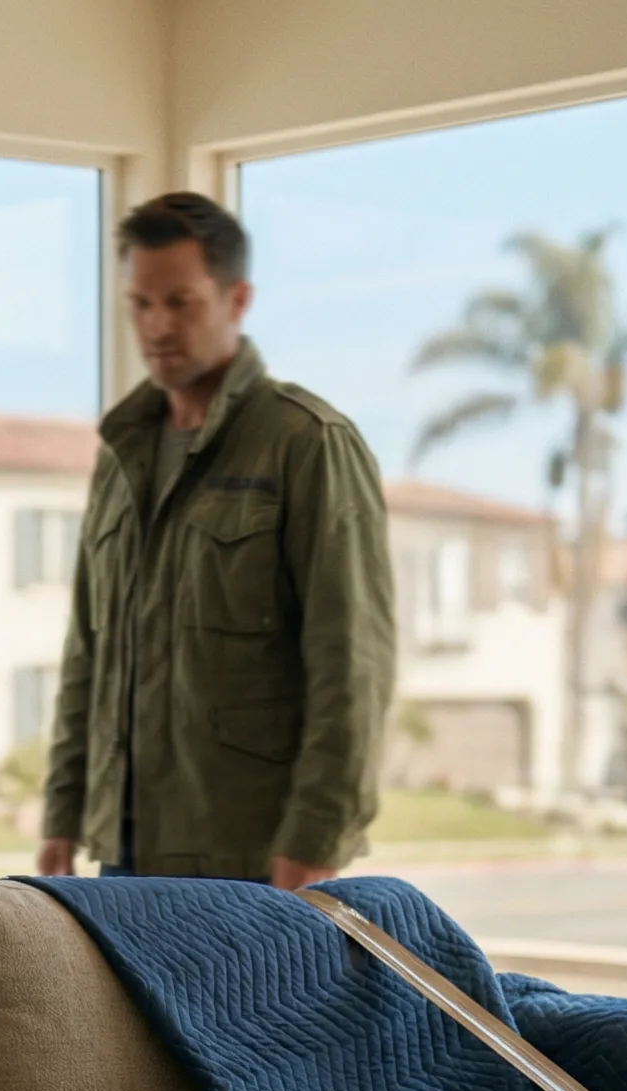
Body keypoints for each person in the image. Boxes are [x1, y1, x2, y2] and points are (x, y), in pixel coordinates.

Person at [36, 192, 395, 890]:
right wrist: (62, 815)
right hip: (122, 857)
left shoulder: (307, 443)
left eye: (181, 302)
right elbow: (88, 649)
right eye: (141, 304)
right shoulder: (120, 455)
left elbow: (353, 663)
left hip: (256, 858)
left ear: (237, 299)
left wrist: (316, 843)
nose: (157, 327)